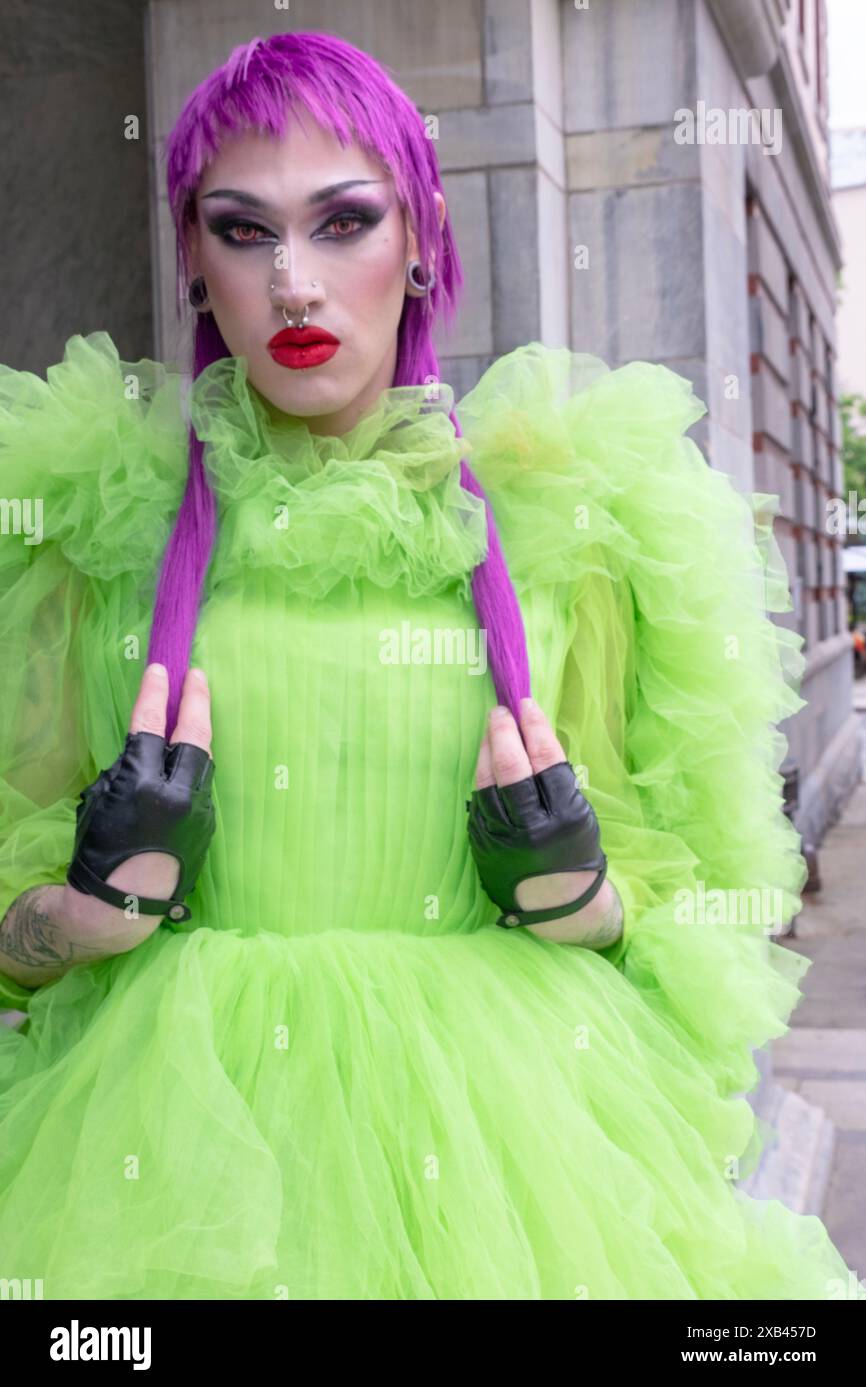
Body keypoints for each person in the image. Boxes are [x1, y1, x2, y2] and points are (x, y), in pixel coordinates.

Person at [0, 30, 860, 1301]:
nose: (295, 282)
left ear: (422, 238)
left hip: (510, 1175)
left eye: (342, 222)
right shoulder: (91, 528)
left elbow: (705, 925)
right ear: (192, 255)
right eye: (244, 232)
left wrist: (589, 899)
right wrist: (69, 917)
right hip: (160, 1170)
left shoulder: (573, 522)